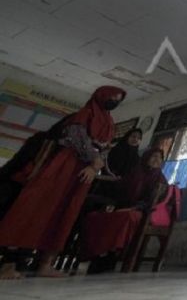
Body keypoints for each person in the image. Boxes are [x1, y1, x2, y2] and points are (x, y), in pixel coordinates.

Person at [0, 86, 126, 279]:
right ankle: (9, 264)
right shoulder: (85, 113)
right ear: (101, 96)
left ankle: (45, 264)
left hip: (84, 173)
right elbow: (76, 137)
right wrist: (93, 160)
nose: (115, 101)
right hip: (64, 167)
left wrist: (96, 167)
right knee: (35, 209)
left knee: (65, 214)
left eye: (119, 99)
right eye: (113, 97)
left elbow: (104, 150)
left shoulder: (109, 123)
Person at [79, 147, 167, 274]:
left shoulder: (160, 179)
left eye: (160, 158)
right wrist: (116, 207)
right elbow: (120, 191)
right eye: (154, 156)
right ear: (146, 158)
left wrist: (133, 208)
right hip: (121, 207)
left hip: (143, 212)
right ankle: (96, 255)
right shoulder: (135, 173)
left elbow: (154, 203)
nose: (157, 160)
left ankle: (111, 256)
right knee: (94, 217)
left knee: (126, 217)